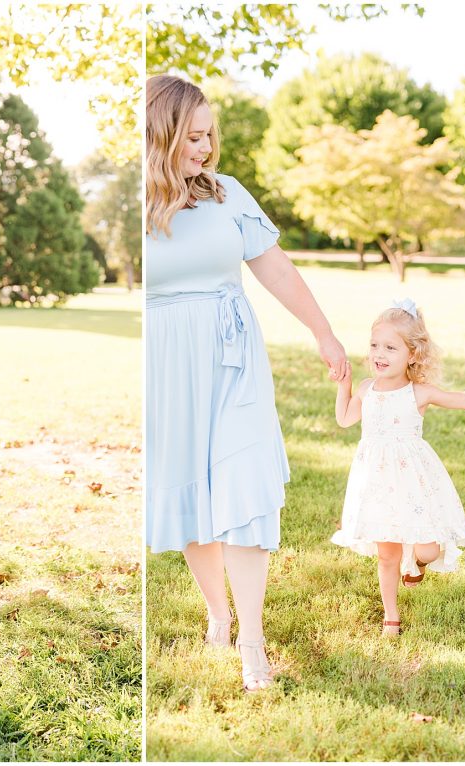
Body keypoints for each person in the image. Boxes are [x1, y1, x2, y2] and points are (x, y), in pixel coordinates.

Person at [146, 74, 348, 692]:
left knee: (242, 488)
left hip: (233, 356)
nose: (206, 148)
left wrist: (325, 333)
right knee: (189, 495)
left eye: (210, 135)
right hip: (165, 363)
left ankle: (253, 641)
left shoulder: (228, 195)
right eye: (194, 136)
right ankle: (218, 614)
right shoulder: (137, 206)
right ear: (160, 135)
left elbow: (277, 269)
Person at [331, 302, 465, 635]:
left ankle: (418, 563)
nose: (379, 354)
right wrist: (345, 385)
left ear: (412, 354)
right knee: (387, 555)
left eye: (390, 347)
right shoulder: (368, 388)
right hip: (377, 485)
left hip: (413, 483)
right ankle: (391, 617)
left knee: (427, 547)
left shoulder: (418, 393)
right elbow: (344, 419)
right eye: (374, 346)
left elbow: (464, 399)